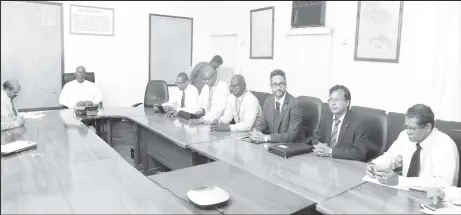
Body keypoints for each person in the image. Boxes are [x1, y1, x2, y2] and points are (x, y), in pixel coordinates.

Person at [366, 104, 459, 188]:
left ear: (428, 127)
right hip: (405, 192)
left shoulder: (445, 145)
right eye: (406, 127)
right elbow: (391, 156)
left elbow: (442, 183)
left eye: (413, 128)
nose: (408, 132)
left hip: (433, 199)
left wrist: (400, 180)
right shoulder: (405, 136)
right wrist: (375, 165)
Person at [307, 85, 369, 161]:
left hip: (346, 166)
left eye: (337, 100)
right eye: (330, 100)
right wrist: (319, 146)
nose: (333, 103)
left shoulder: (358, 122)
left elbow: (360, 153)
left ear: (347, 102)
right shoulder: (326, 118)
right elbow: (316, 138)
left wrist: (330, 151)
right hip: (325, 162)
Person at [250, 69, 304, 143]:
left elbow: (291, 135)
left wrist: (266, 138)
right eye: (275, 84)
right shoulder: (268, 101)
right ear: (271, 86)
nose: (278, 88)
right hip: (274, 144)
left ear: (286, 84)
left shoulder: (295, 104)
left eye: (281, 84)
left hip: (291, 146)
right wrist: (255, 133)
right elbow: (262, 125)